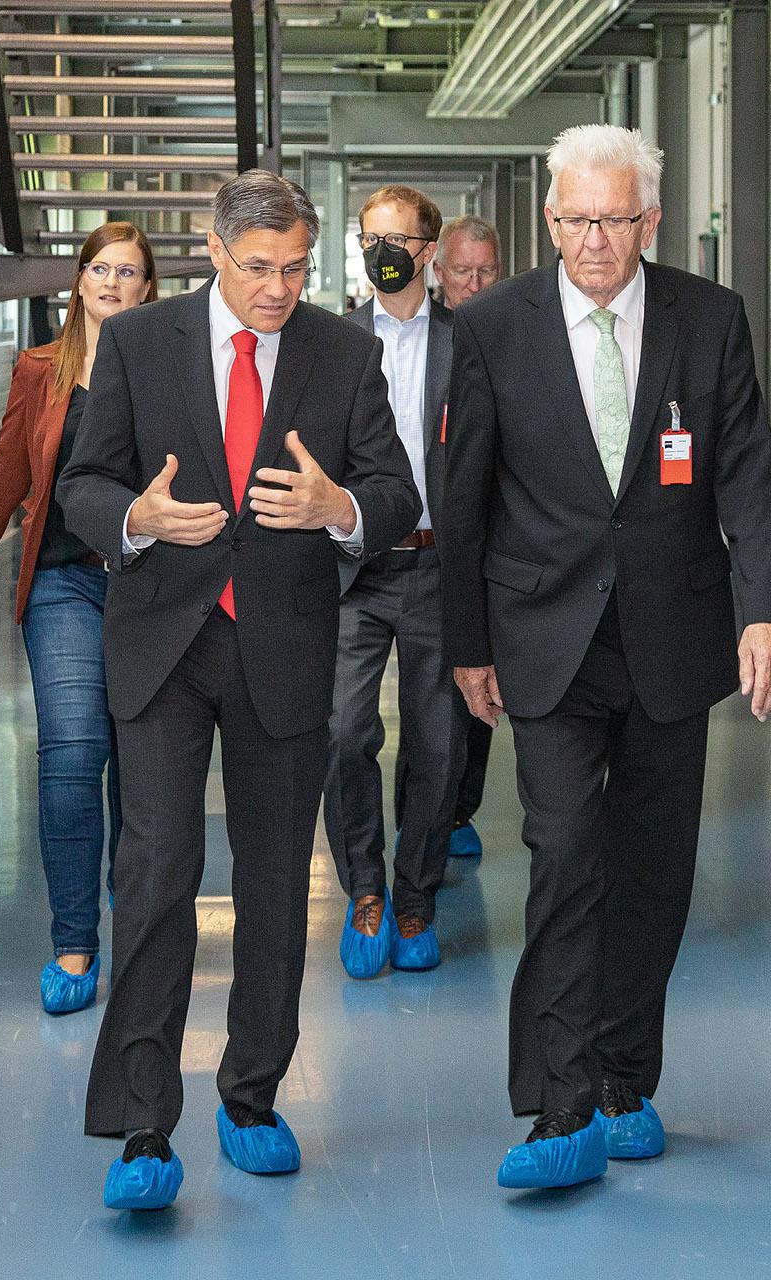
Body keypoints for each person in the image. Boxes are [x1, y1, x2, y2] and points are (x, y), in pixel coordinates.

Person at [56, 170, 420, 1212]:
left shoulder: (343, 353)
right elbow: (83, 481)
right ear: (215, 252)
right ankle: (139, 1121)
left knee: (271, 883)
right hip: (167, 642)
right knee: (161, 868)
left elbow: (394, 493)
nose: (277, 288)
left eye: (297, 267)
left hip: (285, 645)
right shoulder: (138, 343)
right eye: (258, 268)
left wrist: (337, 502)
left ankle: (253, 1094)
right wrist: (138, 517)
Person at [442, 124, 771, 1191]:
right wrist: (466, 642)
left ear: (651, 218)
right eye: (577, 219)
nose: (596, 239)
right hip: (542, 634)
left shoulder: (709, 318)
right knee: (562, 856)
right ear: (550, 220)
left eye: (617, 218)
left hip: (671, 636)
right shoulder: (495, 325)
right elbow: (466, 494)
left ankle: (625, 1078)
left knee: (655, 867)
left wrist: (765, 611)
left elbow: (749, 474)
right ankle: (558, 1104)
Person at [0, 223, 155, 1016]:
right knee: (74, 752)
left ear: (146, 289)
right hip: (64, 582)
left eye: (127, 272)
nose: (110, 283)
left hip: (148, 590)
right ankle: (75, 942)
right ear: (77, 280)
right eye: (99, 268)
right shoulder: (40, 369)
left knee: (142, 770)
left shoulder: (165, 368)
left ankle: (135, 918)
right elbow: (8, 469)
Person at [326, 185, 464, 978]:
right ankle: (365, 890)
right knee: (344, 731)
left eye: (397, 238)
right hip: (355, 565)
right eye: (369, 236)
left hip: (441, 564)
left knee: (437, 745)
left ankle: (415, 898)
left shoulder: (465, 341)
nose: (383, 251)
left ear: (427, 251)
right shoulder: (332, 341)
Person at [433, 215, 505, 860]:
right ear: (438, 273)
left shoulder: (517, 337)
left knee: (477, 678)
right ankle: (421, 811)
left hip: (485, 539)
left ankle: (457, 810)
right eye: (464, 272)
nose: (476, 284)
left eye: (487, 272)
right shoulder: (423, 339)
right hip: (412, 535)